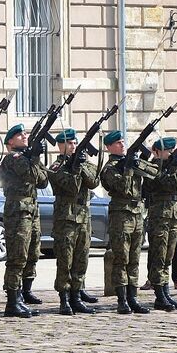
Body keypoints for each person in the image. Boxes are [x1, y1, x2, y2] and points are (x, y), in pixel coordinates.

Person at [100, 130, 157, 314]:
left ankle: (133, 298)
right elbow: (123, 188)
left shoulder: (130, 161)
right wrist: (128, 168)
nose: (122, 144)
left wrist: (139, 160)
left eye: (123, 141)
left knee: (134, 258)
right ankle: (122, 299)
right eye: (118, 142)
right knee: (121, 258)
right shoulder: (110, 168)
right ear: (109, 147)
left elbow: (154, 172)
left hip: (137, 213)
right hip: (121, 215)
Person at [0, 124, 48, 319]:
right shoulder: (13, 158)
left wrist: (35, 157)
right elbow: (32, 175)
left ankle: (23, 293)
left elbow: (43, 181)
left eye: (25, 133)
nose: (24, 136)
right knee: (17, 257)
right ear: (10, 141)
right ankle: (12, 301)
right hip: (18, 211)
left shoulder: (25, 158)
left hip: (31, 210)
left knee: (32, 252)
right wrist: (34, 157)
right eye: (20, 135)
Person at [49, 128, 100, 315]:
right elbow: (72, 187)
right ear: (60, 146)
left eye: (75, 143)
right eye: (69, 143)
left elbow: (94, 181)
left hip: (84, 217)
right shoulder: (56, 167)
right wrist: (76, 167)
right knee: (65, 260)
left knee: (81, 259)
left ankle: (77, 296)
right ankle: (64, 298)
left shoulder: (84, 162)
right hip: (66, 219)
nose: (73, 146)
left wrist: (81, 164)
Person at [143, 137, 177, 312]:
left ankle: (166, 293)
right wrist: (173, 167)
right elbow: (169, 185)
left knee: (168, 257)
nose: (171, 153)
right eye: (168, 150)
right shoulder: (152, 167)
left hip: (174, 215)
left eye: (173, 150)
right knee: (159, 256)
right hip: (159, 216)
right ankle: (159, 295)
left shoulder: (176, 165)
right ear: (158, 151)